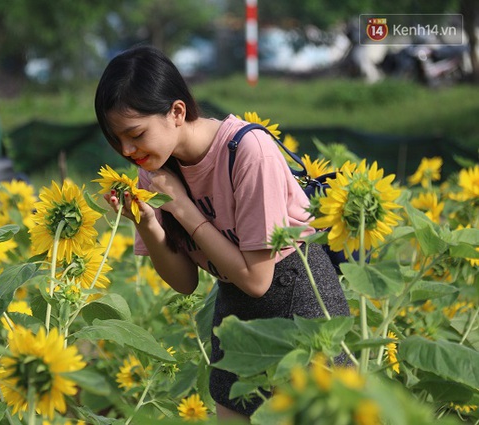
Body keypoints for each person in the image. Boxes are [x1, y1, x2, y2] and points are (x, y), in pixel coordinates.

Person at [94, 45, 351, 421]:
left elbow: (258, 278)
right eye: (118, 141)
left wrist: (181, 206)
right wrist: (147, 223)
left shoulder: (247, 151)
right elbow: (184, 282)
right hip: (234, 309)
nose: (128, 150)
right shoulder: (155, 166)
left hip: (300, 298)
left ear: (177, 112)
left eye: (135, 134)